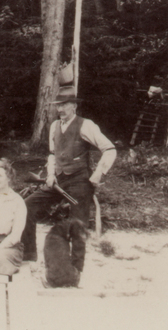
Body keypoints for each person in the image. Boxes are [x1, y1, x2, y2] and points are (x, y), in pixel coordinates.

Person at [21, 86, 117, 269]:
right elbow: (52, 154)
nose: (61, 109)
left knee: (78, 224)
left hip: (79, 181)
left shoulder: (86, 125)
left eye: (65, 105)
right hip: (58, 180)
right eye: (58, 105)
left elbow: (110, 149)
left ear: (74, 106)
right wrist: (50, 174)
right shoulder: (54, 126)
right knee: (27, 206)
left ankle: (76, 266)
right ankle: (29, 254)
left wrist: (98, 173)